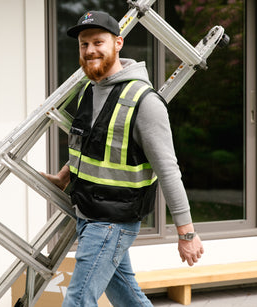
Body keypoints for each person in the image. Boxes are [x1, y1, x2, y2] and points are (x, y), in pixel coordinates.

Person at [41, 11, 204, 307]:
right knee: (127, 298)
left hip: (112, 222)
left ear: (118, 43)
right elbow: (88, 146)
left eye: (97, 42)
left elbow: (168, 171)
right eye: (83, 44)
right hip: (88, 214)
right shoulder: (90, 91)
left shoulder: (145, 101)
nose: (89, 50)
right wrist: (63, 176)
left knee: (76, 301)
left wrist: (187, 232)